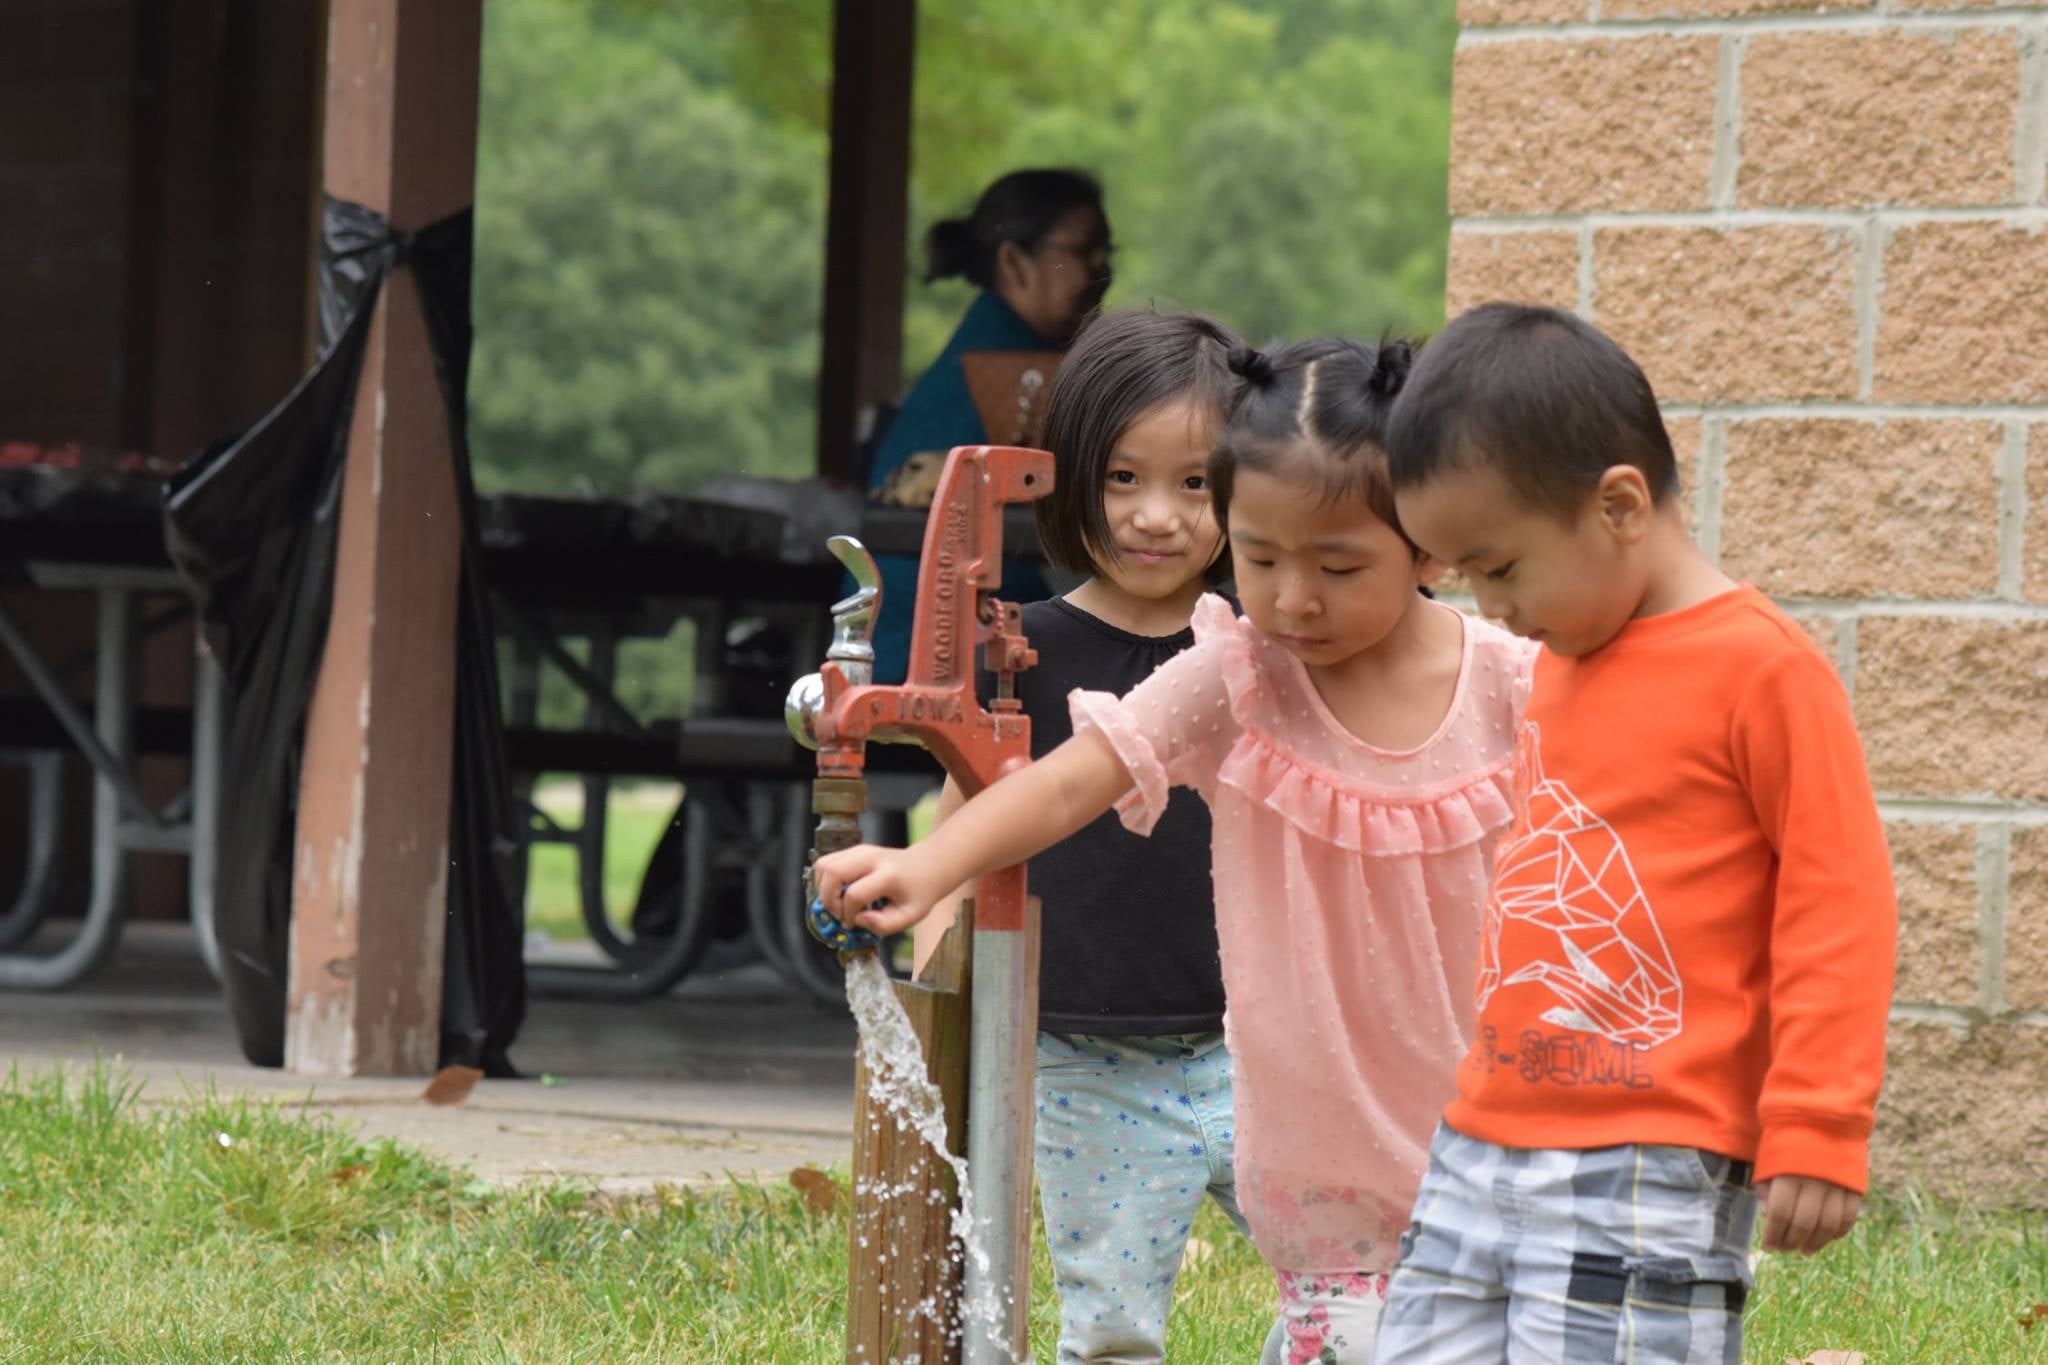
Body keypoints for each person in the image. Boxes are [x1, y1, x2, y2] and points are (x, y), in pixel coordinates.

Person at [817, 337, 1536, 1362]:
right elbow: (1069, 779)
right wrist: (925, 868)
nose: (1291, 599)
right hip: (1309, 1137)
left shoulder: (1510, 681)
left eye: (1335, 565)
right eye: (1262, 558)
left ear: (1430, 545)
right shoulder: (1239, 674)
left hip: (1478, 1118)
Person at [1376, 303, 1898, 1364]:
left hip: (1651, 1161)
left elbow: (1836, 898)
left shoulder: (1761, 669)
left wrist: (1816, 1120)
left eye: (1499, 568)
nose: (1489, 606)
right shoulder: (1561, 658)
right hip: (1480, 1136)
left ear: (1616, 505)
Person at [910, 307, 1248, 1364]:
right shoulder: (1023, 652)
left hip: (1262, 1047)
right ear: (1065, 478)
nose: (1156, 517)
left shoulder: (1268, 649)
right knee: (1110, 1327)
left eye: (1195, 484)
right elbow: (961, 825)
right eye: (1121, 479)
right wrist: (941, 1013)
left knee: (1361, 1277)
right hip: (1082, 1060)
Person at [863, 168, 1114, 685]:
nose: (1102, 267)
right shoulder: (1015, 377)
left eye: (1106, 251)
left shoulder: (999, 355)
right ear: (1014, 263)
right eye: (1085, 250)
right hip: (940, 664)